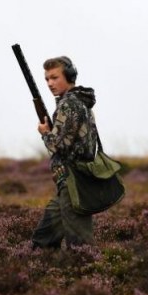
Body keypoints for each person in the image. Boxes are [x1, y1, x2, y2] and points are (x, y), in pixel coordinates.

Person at [32, 56, 99, 248]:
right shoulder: (81, 101)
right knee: (43, 239)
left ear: (69, 76)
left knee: (80, 244)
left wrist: (45, 133)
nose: (50, 83)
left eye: (54, 77)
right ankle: (51, 276)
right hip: (70, 182)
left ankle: (88, 277)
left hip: (74, 182)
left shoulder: (69, 104)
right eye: (47, 79)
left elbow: (58, 146)